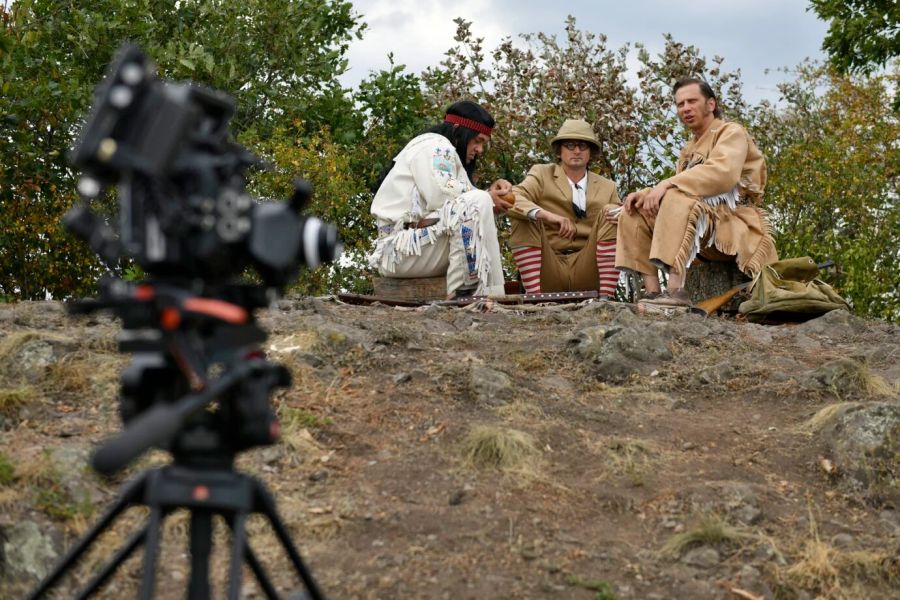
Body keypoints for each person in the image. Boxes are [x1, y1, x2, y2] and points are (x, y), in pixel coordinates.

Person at [615, 78, 778, 306]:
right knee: (634, 210)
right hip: (700, 228)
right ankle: (652, 293)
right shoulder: (689, 149)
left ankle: (675, 291)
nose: (685, 108)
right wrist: (647, 193)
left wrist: (665, 185)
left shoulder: (731, 132)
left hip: (733, 224)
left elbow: (723, 174)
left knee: (675, 195)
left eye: (692, 101)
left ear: (711, 104)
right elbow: (684, 182)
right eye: (680, 104)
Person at [368, 101, 511, 299]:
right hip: (399, 252)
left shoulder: (442, 151)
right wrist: (486, 197)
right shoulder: (436, 147)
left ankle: (492, 296)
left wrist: (489, 198)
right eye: (477, 141)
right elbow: (442, 196)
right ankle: (464, 295)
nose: (480, 150)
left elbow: (454, 201)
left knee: (480, 202)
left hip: (414, 249)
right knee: (478, 202)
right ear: (459, 131)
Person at [507, 119, 621, 297]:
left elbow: (623, 221)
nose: (576, 151)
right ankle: (535, 299)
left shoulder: (608, 186)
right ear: (559, 151)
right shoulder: (541, 174)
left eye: (583, 146)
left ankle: (607, 299)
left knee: (613, 213)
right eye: (570, 145)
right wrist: (547, 215)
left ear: (591, 152)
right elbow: (512, 199)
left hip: (590, 267)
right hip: (548, 265)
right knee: (525, 215)